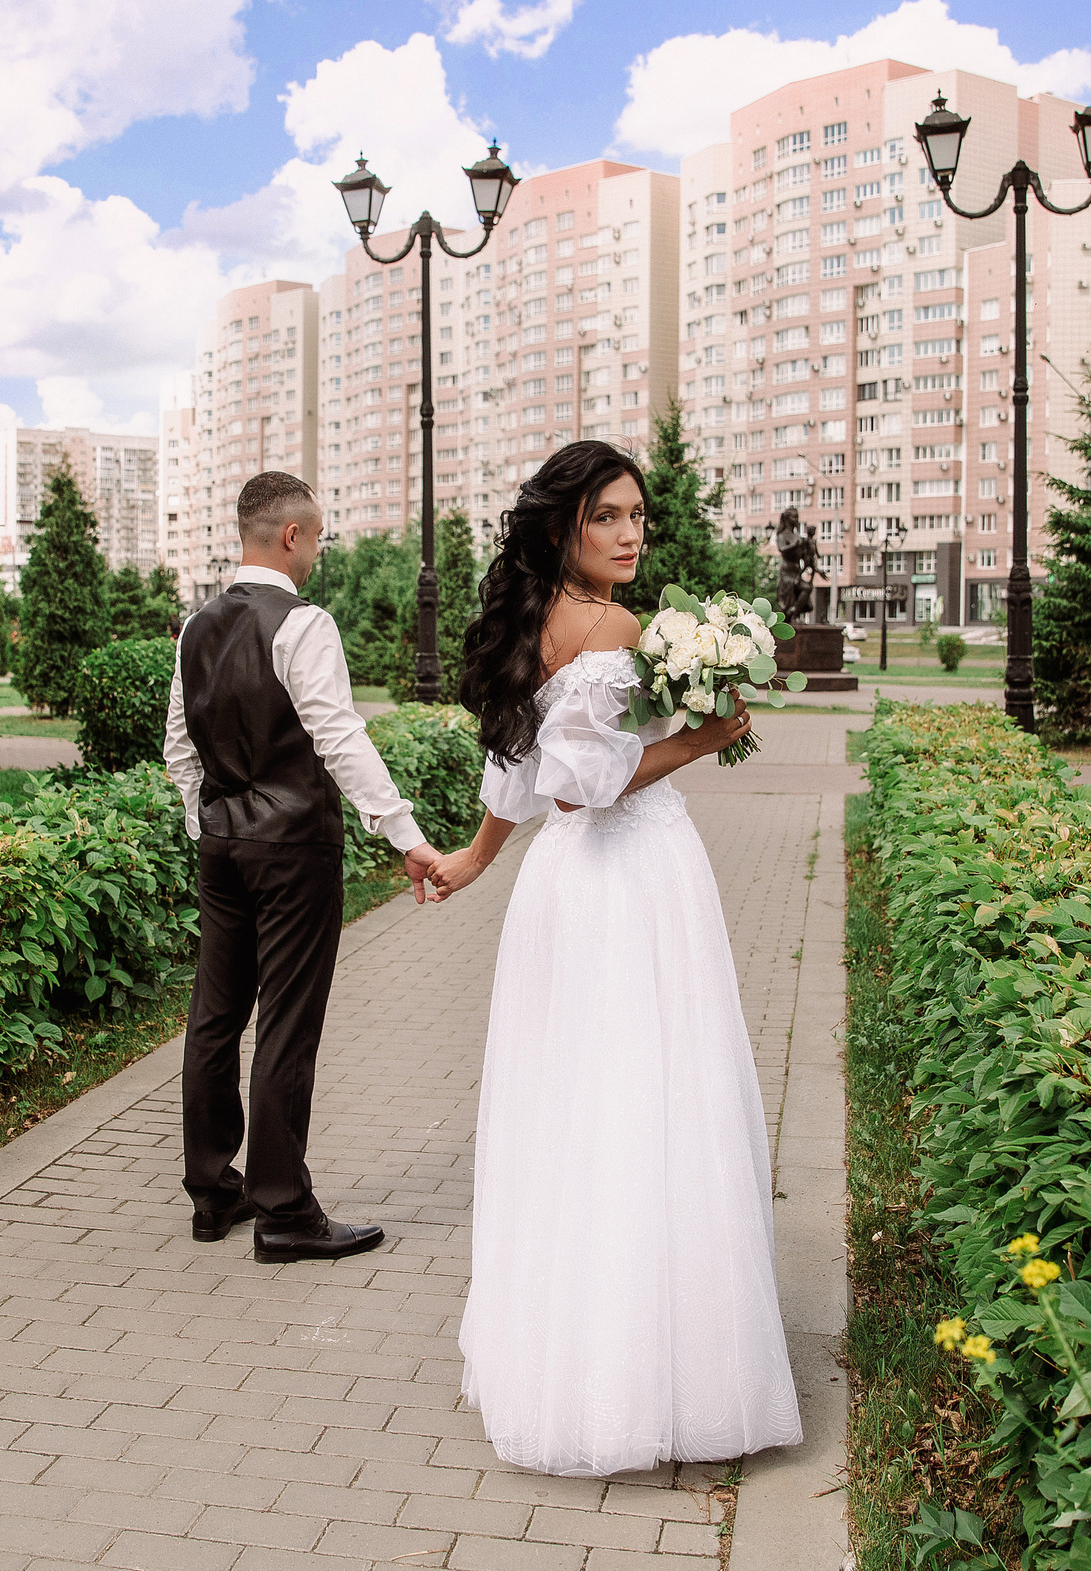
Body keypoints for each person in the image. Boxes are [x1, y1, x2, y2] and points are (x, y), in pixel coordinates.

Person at [423, 440, 803, 1477]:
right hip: (629, 882)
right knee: (651, 1100)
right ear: (562, 528)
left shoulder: (533, 621)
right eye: (607, 517)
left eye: (637, 515)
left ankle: (568, 1359)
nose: (630, 534)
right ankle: (653, 1378)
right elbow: (584, 785)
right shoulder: (611, 627)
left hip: (560, 890)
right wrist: (703, 738)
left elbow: (516, 775)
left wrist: (470, 860)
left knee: (575, 1110)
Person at [163, 472, 446, 1263]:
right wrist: (405, 835)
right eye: (317, 537)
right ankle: (284, 1210)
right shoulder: (304, 622)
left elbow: (179, 747)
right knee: (286, 1022)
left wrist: (206, 822)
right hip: (293, 848)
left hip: (220, 846)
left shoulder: (196, 626)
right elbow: (339, 736)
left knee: (214, 1016)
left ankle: (213, 1191)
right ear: (291, 535)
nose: (318, 551)